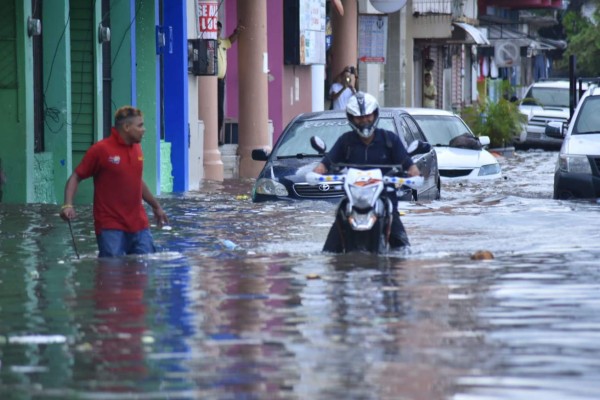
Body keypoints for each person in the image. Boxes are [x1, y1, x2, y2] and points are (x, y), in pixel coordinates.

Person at [313, 92, 421, 252]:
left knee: (403, 249)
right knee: (329, 252)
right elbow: (326, 163)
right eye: (359, 117)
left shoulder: (389, 140)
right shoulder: (346, 141)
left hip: (385, 199)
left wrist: (414, 176)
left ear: (375, 114)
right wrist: (316, 174)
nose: (364, 120)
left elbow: (410, 166)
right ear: (351, 118)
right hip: (353, 201)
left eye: (367, 116)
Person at [59, 106, 169, 258]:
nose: (144, 129)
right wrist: (68, 205)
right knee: (111, 275)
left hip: (139, 225)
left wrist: (156, 207)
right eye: (140, 125)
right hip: (110, 226)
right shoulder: (101, 150)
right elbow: (75, 177)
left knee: (143, 273)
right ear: (126, 127)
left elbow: (136, 180)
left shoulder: (137, 148)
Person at [217, 20, 245, 145]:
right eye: (215, 29)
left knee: (219, 111)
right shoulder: (210, 42)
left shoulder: (222, 42)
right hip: (210, 81)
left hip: (220, 81)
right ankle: (213, 138)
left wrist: (236, 32)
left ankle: (217, 136)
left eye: (219, 29)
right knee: (213, 110)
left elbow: (230, 41)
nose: (217, 31)